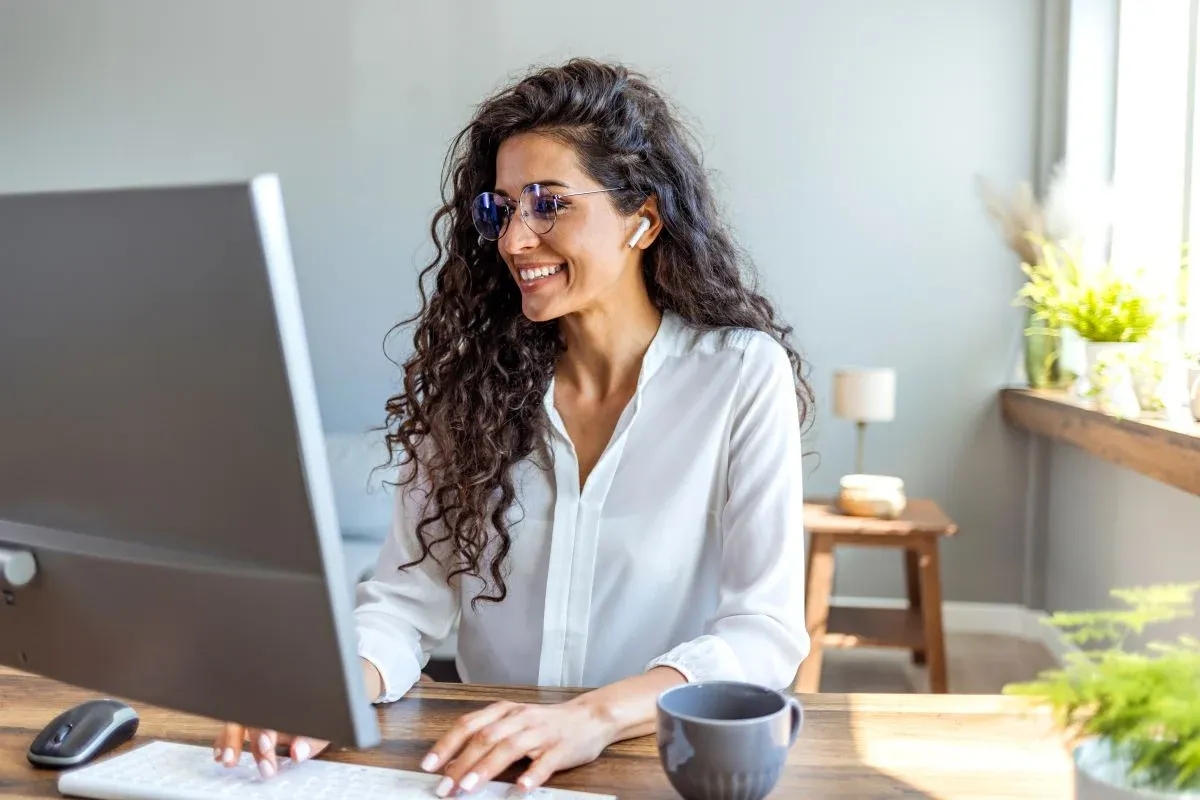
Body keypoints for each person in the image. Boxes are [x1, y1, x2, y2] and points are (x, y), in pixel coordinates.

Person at [212, 58, 813, 795]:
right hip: (484, 769)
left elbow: (764, 629)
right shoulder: (474, 389)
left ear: (643, 219)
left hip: (655, 763)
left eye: (549, 204)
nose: (515, 241)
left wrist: (590, 718)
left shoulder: (738, 376)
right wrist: (326, 692)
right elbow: (404, 603)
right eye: (501, 210)